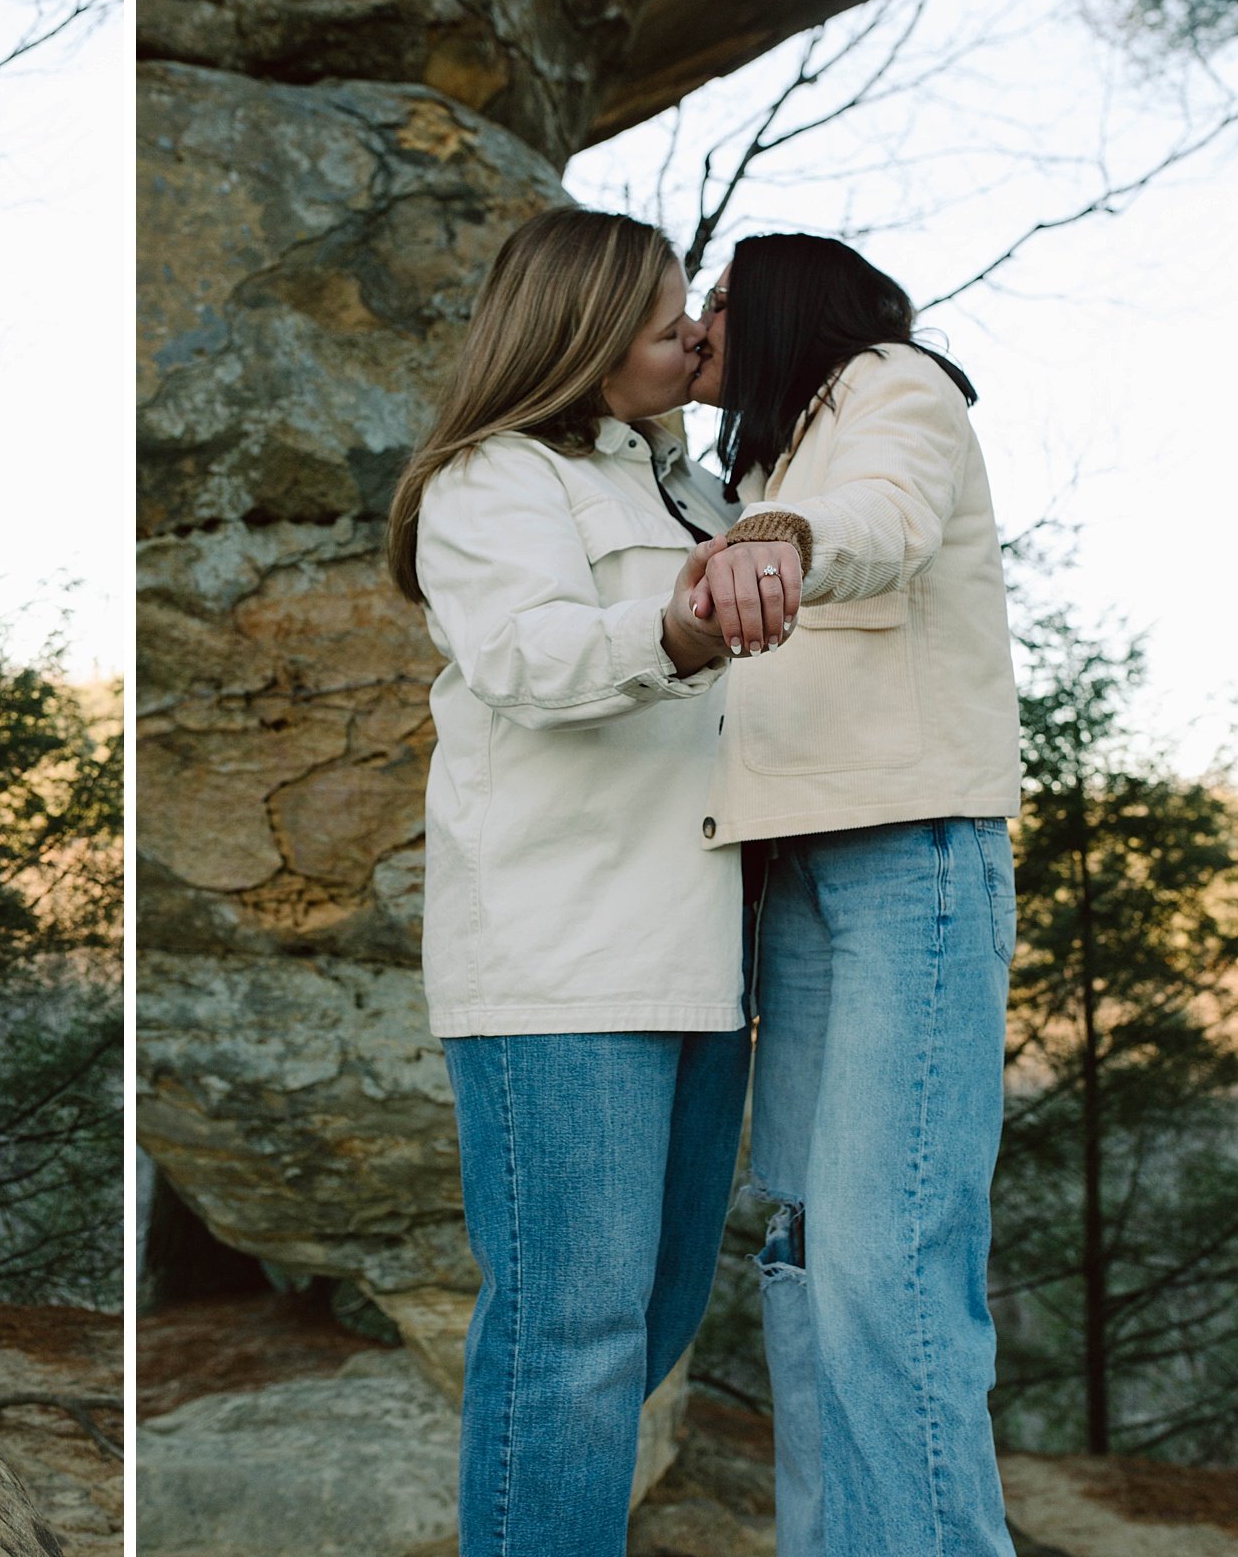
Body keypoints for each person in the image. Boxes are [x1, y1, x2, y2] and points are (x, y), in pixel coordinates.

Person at [384, 206, 800, 1555]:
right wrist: (681, 626)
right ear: (578, 325)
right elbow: (533, 660)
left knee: (649, 1328)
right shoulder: (491, 480)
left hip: (703, 959)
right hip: (564, 964)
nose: (690, 331)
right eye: (661, 308)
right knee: (567, 1337)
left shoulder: (691, 490)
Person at [689, 233, 1022, 1557]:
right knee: (813, 1255)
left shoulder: (893, 385)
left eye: (717, 298)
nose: (698, 323)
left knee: (891, 1263)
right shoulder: (763, 459)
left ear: (774, 305)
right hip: (801, 872)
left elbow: (881, 516)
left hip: (910, 862)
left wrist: (779, 533)